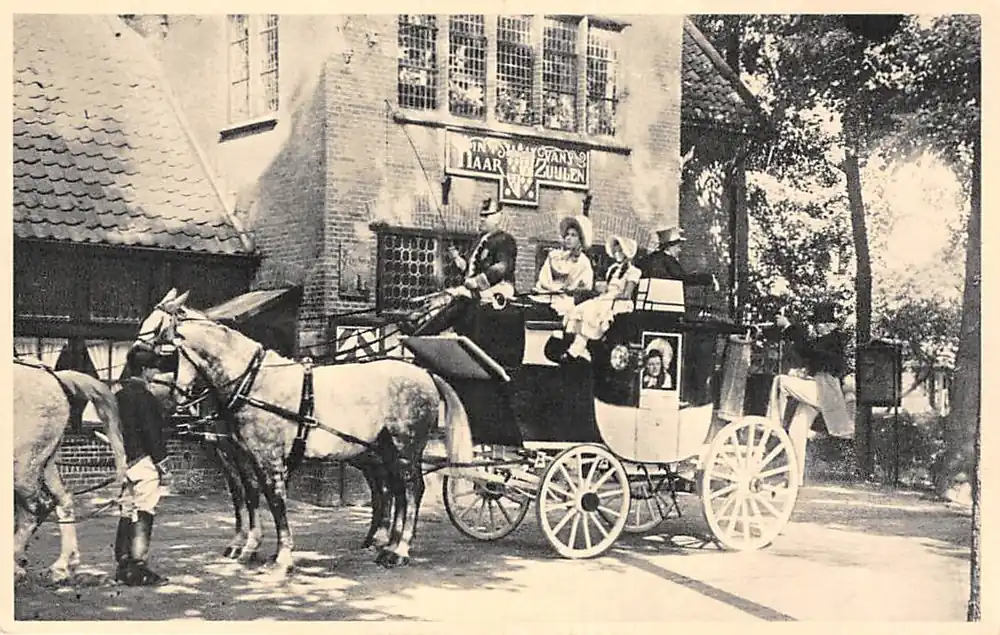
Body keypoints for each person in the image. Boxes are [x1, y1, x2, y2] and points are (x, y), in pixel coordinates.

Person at [765, 301, 852, 485]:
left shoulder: (833, 341)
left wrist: (788, 327)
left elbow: (808, 350)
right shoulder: (826, 341)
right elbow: (814, 359)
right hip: (819, 390)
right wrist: (803, 373)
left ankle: (772, 424)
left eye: (819, 324)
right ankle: (794, 478)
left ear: (831, 325)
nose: (816, 327)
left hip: (825, 391)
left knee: (780, 381)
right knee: (797, 430)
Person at [113, 347, 172, 587]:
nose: (156, 373)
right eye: (154, 368)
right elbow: (152, 435)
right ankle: (138, 568)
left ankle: (123, 563)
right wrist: (164, 466)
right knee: (145, 510)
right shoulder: (146, 397)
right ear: (146, 370)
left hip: (125, 461)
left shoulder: (118, 395)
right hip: (144, 461)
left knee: (128, 511)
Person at [560, 235, 641, 362]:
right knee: (583, 310)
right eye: (615, 251)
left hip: (619, 302)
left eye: (620, 251)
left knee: (594, 313)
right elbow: (606, 287)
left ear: (626, 252)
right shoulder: (613, 269)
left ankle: (578, 348)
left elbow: (627, 294)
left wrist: (611, 295)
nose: (617, 254)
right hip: (606, 298)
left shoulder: (633, 271)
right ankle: (579, 347)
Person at [531, 214, 594, 316]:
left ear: (580, 240)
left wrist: (571, 290)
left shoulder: (583, 263)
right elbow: (543, 278)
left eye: (573, 235)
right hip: (547, 295)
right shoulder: (555, 256)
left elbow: (585, 288)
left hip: (568, 300)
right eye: (567, 235)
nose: (568, 238)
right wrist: (552, 288)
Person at [638, 225, 717, 289]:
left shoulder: (649, 258)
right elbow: (683, 278)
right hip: (665, 299)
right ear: (670, 247)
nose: (679, 250)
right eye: (678, 247)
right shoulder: (668, 260)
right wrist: (708, 278)